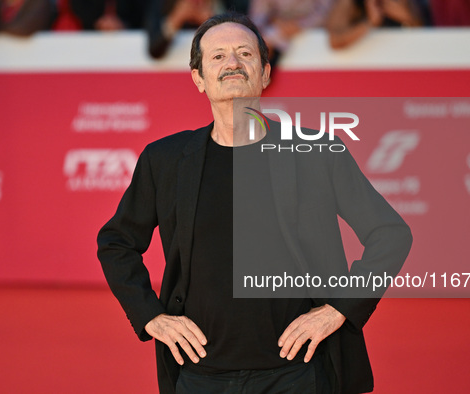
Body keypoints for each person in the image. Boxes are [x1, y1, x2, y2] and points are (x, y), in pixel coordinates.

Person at [97, 12, 412, 394]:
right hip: (198, 375)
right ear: (198, 78)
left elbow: (390, 234)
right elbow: (116, 243)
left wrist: (339, 310)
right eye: (217, 56)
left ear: (264, 73)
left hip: (301, 374)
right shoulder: (163, 160)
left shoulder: (315, 152)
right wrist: (152, 317)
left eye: (244, 53)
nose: (232, 63)